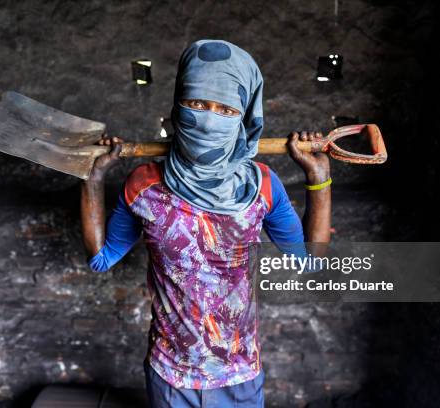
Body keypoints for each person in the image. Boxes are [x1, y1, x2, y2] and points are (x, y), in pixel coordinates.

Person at [80, 39, 331, 408]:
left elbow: (313, 259)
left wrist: (319, 180)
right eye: (196, 103)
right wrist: (93, 178)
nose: (209, 118)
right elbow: (101, 257)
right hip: (170, 376)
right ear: (177, 102)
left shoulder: (261, 186)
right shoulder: (143, 185)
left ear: (245, 115)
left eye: (225, 108)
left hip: (239, 376)